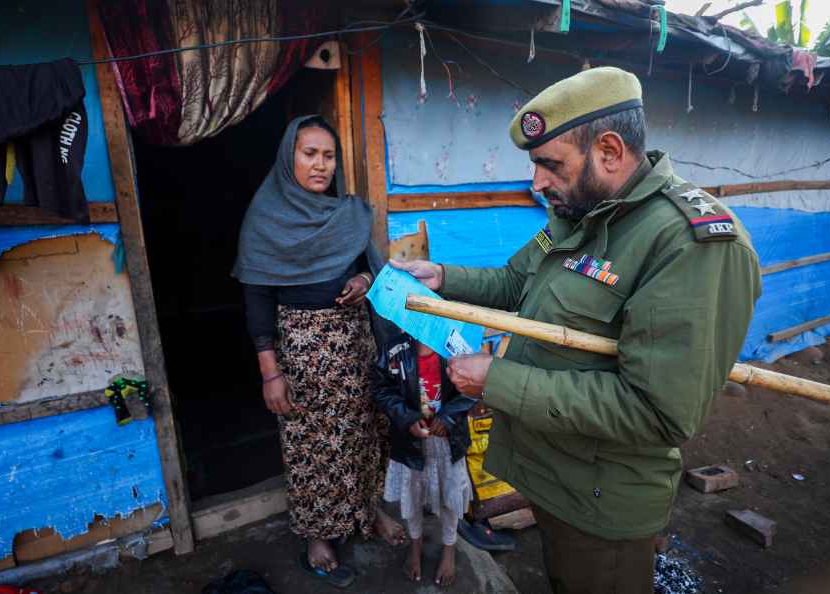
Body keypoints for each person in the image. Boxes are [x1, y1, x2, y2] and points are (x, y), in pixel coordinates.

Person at [392, 67, 761, 594]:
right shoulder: (581, 215)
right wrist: (444, 278)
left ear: (609, 151)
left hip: (601, 499)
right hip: (554, 475)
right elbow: (518, 280)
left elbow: (656, 411)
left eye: (549, 164)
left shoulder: (688, 245)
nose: (537, 182)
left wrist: (497, 381)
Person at [232, 115, 405, 589]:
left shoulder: (346, 213)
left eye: (329, 156)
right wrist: (271, 372)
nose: (321, 164)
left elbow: (373, 269)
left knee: (367, 432)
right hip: (302, 348)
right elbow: (257, 296)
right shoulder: (265, 217)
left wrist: (363, 280)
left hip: (354, 342)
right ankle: (318, 536)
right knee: (309, 445)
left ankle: (370, 513)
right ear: (290, 157)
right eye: (310, 153)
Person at [373, 332, 475, 587]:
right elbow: (381, 388)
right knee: (413, 497)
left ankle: (449, 548)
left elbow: (474, 387)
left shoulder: (455, 347)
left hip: (447, 442)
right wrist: (407, 419)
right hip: (411, 442)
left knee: (451, 499)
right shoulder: (394, 349)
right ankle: (415, 545)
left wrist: (449, 417)